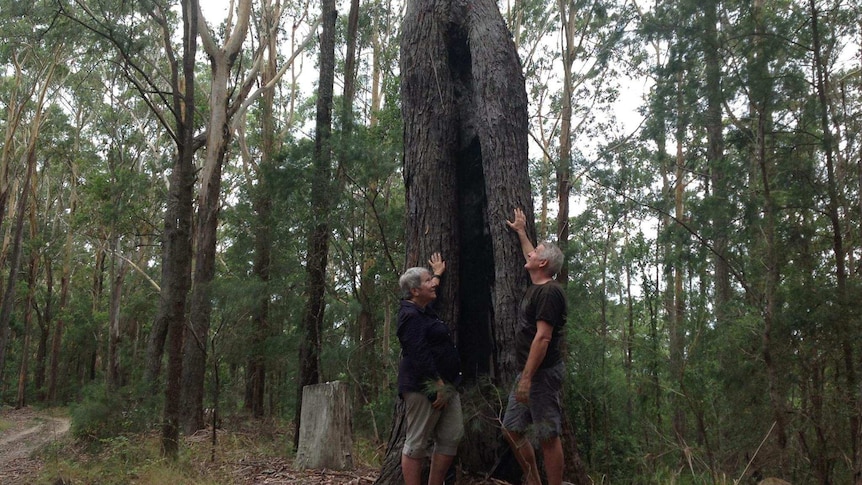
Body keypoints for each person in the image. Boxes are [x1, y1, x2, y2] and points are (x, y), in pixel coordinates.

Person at [502, 208, 567, 485]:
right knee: (511, 428)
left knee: (547, 434)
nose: (530, 254)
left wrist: (527, 379)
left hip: (540, 374)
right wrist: (521, 232)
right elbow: (530, 255)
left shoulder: (549, 292)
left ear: (543, 264)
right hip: (527, 372)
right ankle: (534, 480)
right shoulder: (539, 283)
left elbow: (543, 337)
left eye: (536, 252)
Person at [397, 252, 463, 485]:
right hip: (423, 386)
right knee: (416, 444)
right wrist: (436, 384)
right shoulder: (409, 315)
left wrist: (436, 274)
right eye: (427, 282)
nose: (432, 285)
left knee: (451, 436)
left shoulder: (423, 307)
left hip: (447, 385)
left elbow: (430, 287)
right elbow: (418, 352)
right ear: (415, 291)